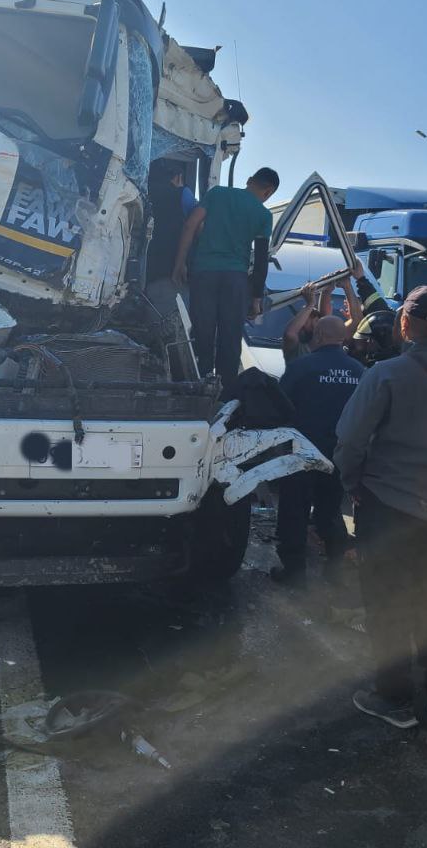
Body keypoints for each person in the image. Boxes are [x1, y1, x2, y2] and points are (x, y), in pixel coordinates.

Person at [334, 286, 427, 728]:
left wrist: (352, 485)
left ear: (405, 324)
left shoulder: (385, 374)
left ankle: (394, 698)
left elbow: (349, 440)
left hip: (388, 505)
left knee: (385, 603)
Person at [271, 315, 364, 585]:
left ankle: (294, 572)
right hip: (339, 453)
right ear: (342, 338)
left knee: (293, 511)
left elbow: (279, 404)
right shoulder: (359, 371)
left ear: (319, 336)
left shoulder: (302, 367)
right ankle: (335, 569)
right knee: (329, 509)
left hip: (301, 451)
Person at [172, 167, 280, 385]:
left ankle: (196, 386)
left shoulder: (217, 194)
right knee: (230, 341)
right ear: (268, 192)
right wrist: (256, 298)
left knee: (202, 333)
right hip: (235, 280)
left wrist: (179, 263)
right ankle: (224, 396)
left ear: (249, 179)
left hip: (203, 274)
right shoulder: (263, 215)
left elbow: (190, 225)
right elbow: (260, 260)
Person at [143, 163, 198, 317]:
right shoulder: (183, 194)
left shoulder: (143, 193)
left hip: (147, 269)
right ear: (179, 177)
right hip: (173, 271)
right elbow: (197, 224)